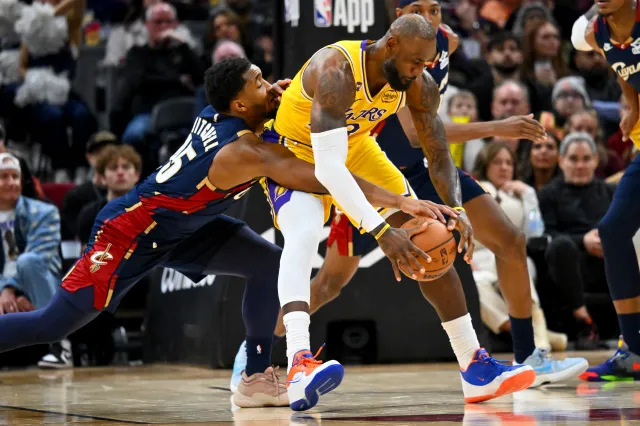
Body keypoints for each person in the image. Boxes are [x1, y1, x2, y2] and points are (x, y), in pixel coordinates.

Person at [0, 57, 443, 407]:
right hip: (130, 231)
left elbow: (270, 105)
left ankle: (255, 377)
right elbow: (325, 177)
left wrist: (279, 97)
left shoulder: (221, 112)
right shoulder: (243, 152)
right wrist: (398, 200)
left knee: (268, 264)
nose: (269, 85)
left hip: (184, 226)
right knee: (53, 324)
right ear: (240, 105)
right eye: (259, 83)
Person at [232, 0, 587, 395]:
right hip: (295, 153)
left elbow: (438, 153)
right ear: (391, 45)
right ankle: (289, 359)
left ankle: (474, 365)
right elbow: (329, 171)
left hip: (356, 148)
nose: (420, 71)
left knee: (429, 234)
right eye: (414, 62)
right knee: (303, 236)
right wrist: (383, 231)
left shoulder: (418, 82)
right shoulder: (336, 71)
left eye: (426, 64)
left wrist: (454, 211)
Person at [572, 0, 640, 380]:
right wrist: (631, 104)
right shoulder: (598, 32)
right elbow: (623, 68)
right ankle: (633, 350)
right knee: (613, 230)